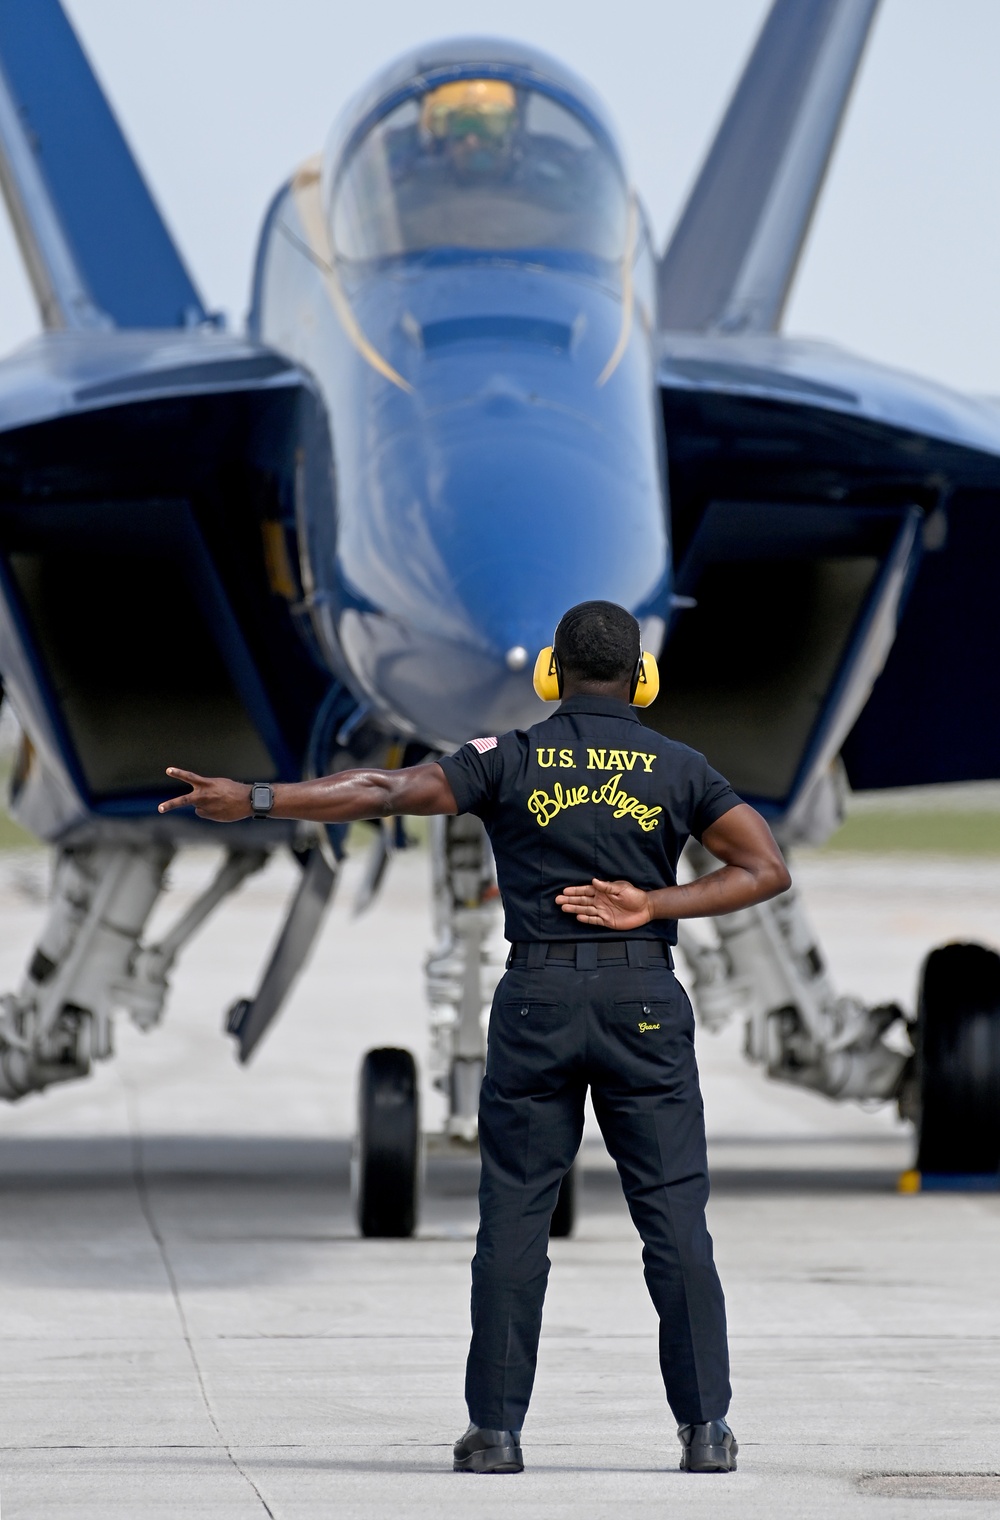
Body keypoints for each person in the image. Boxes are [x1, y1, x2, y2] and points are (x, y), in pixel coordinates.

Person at [158, 599, 791, 1476]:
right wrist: (656, 903)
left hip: (535, 1000)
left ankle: (495, 1434)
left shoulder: (508, 758)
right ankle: (706, 1433)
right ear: (642, 677)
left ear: (550, 675)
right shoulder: (679, 767)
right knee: (676, 1225)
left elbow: (383, 790)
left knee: (514, 1222)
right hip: (645, 998)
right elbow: (765, 869)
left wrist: (257, 797)